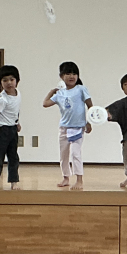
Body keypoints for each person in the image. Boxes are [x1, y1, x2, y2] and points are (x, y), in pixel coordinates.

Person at [43, 61, 93, 190]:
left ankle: (79, 180)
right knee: (63, 154)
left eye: (74, 74)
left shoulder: (81, 89)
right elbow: (45, 103)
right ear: (61, 76)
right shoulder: (60, 93)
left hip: (78, 127)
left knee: (76, 153)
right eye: (68, 73)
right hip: (64, 127)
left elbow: (90, 106)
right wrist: (52, 92)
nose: (72, 76)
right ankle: (66, 177)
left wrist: (89, 122)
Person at [0, 65, 22, 190]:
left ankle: (14, 181)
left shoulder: (18, 94)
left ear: (17, 81)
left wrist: (17, 122)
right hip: (0, 130)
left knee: (13, 157)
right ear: (1, 83)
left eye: (12, 79)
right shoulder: (1, 99)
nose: (9, 83)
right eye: (5, 80)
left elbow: (15, 111)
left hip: (12, 129)